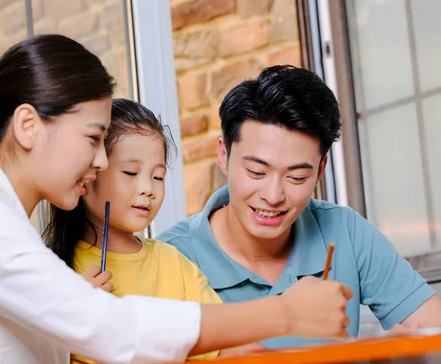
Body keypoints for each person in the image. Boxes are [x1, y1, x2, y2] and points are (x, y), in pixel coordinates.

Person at [0, 38, 352, 364]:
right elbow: (116, 331)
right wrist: (283, 313)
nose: (101, 161)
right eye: (92, 138)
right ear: (27, 126)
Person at [158, 65, 441, 349]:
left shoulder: (346, 232)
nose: (273, 195)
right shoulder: (168, 258)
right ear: (224, 155)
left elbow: (433, 328)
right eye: (256, 172)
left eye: (297, 177)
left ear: (320, 171)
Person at [45, 98, 220, 364]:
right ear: (87, 176)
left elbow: (218, 354)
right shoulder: (53, 271)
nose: (148, 189)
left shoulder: (173, 263)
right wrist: (71, 315)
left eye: (158, 176)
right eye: (130, 173)